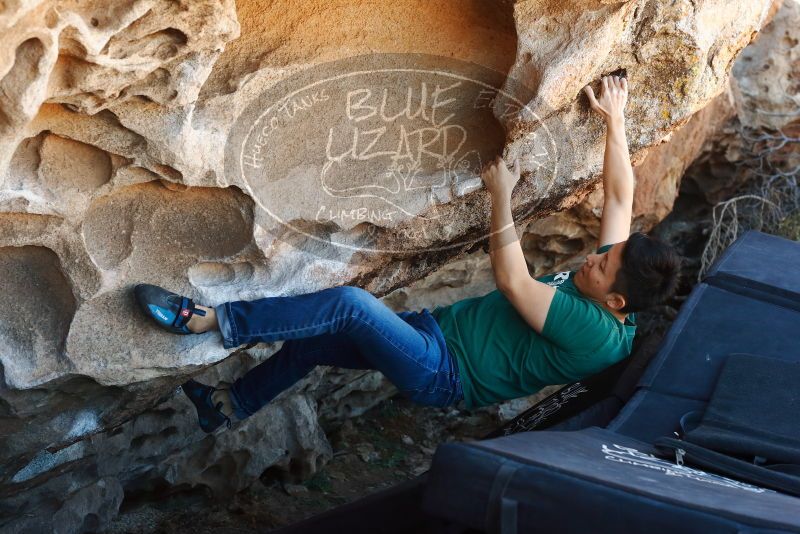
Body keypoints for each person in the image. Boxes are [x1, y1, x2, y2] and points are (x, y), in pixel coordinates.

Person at [134, 75, 681, 433]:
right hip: (433, 332)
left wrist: (501, 196)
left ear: (616, 298)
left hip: (443, 371)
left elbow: (514, 281)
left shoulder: (596, 332)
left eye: (602, 264)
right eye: (602, 255)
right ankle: (229, 407)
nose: (593, 258)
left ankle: (209, 320)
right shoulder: (612, 285)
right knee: (315, 344)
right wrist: (615, 119)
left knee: (349, 304)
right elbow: (619, 197)